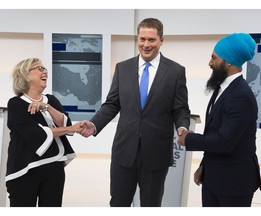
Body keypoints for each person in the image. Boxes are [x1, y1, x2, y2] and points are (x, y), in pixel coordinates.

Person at [79, 18, 190, 207]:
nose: (146, 45)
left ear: (161, 40)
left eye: (151, 40)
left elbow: (180, 108)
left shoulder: (175, 71)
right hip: (124, 151)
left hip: (156, 153)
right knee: (119, 203)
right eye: (142, 39)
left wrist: (182, 126)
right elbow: (112, 104)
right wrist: (95, 123)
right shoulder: (123, 68)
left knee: (151, 204)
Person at [178, 33, 261, 207]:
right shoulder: (223, 89)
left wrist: (189, 139)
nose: (209, 63)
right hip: (214, 179)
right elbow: (214, 132)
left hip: (234, 185)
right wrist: (204, 166)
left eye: (214, 58)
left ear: (229, 61)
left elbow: (224, 141)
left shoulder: (240, 96)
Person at [6, 58, 83, 207]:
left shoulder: (51, 100)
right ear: (25, 75)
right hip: (24, 170)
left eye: (45, 68)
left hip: (54, 167)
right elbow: (36, 134)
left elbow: (64, 121)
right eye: (39, 68)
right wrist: (71, 128)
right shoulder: (16, 104)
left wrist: (46, 107)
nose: (45, 71)